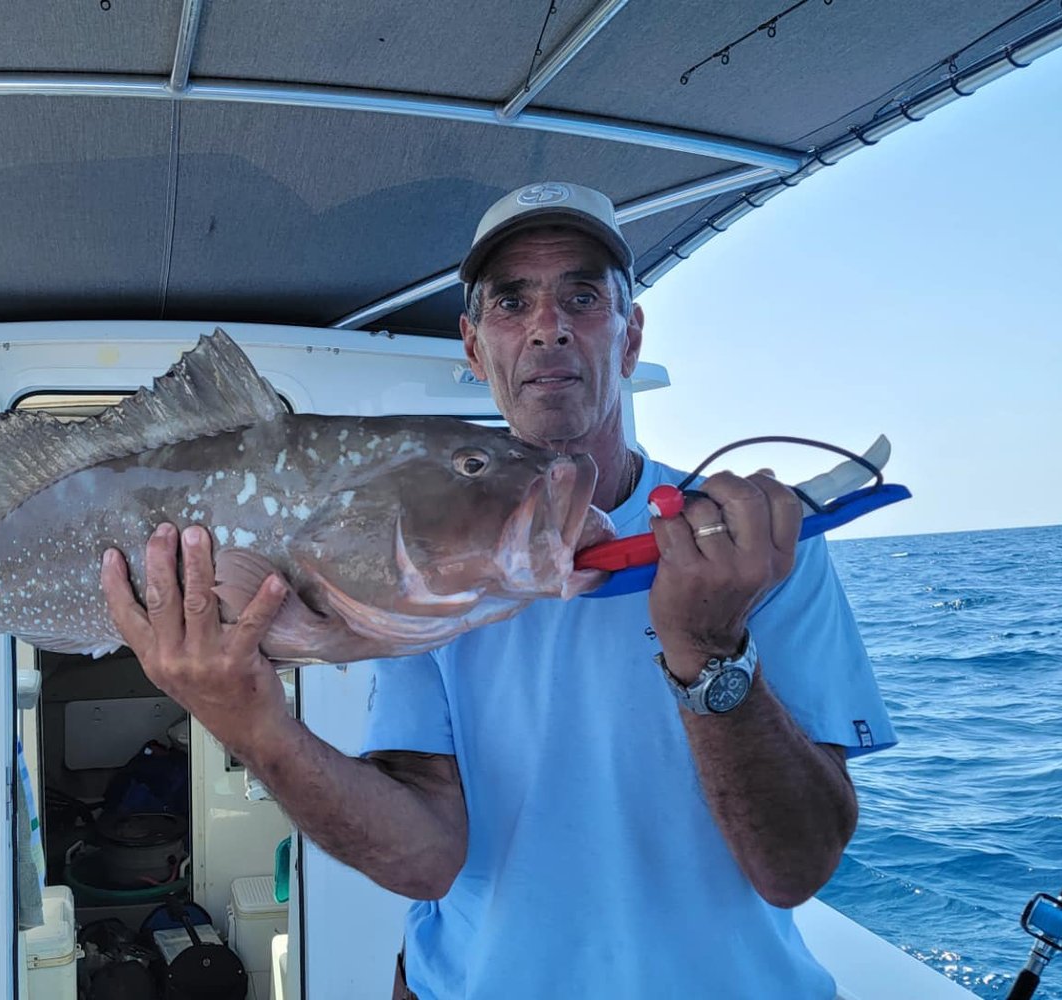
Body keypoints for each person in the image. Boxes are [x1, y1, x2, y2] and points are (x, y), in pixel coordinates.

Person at [99, 183, 895, 998]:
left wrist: (711, 652)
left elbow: (796, 869)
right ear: (475, 349)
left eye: (582, 297)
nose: (547, 325)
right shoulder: (427, 575)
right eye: (512, 302)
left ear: (630, 336)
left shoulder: (759, 548)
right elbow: (426, 859)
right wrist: (257, 728)